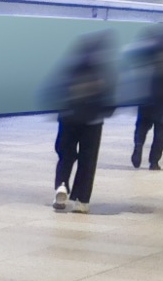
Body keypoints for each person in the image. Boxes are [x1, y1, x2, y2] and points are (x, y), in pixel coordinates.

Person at [47, 34, 117, 213]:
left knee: (66, 155)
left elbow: (57, 91)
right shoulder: (102, 71)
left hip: (68, 119)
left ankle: (62, 186)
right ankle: (82, 201)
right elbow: (110, 100)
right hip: (92, 122)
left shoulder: (71, 68)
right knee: (88, 159)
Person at [128, 25, 163, 170]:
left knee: (141, 127)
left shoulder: (148, 59)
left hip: (146, 101)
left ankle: (138, 146)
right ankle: (154, 162)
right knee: (160, 132)